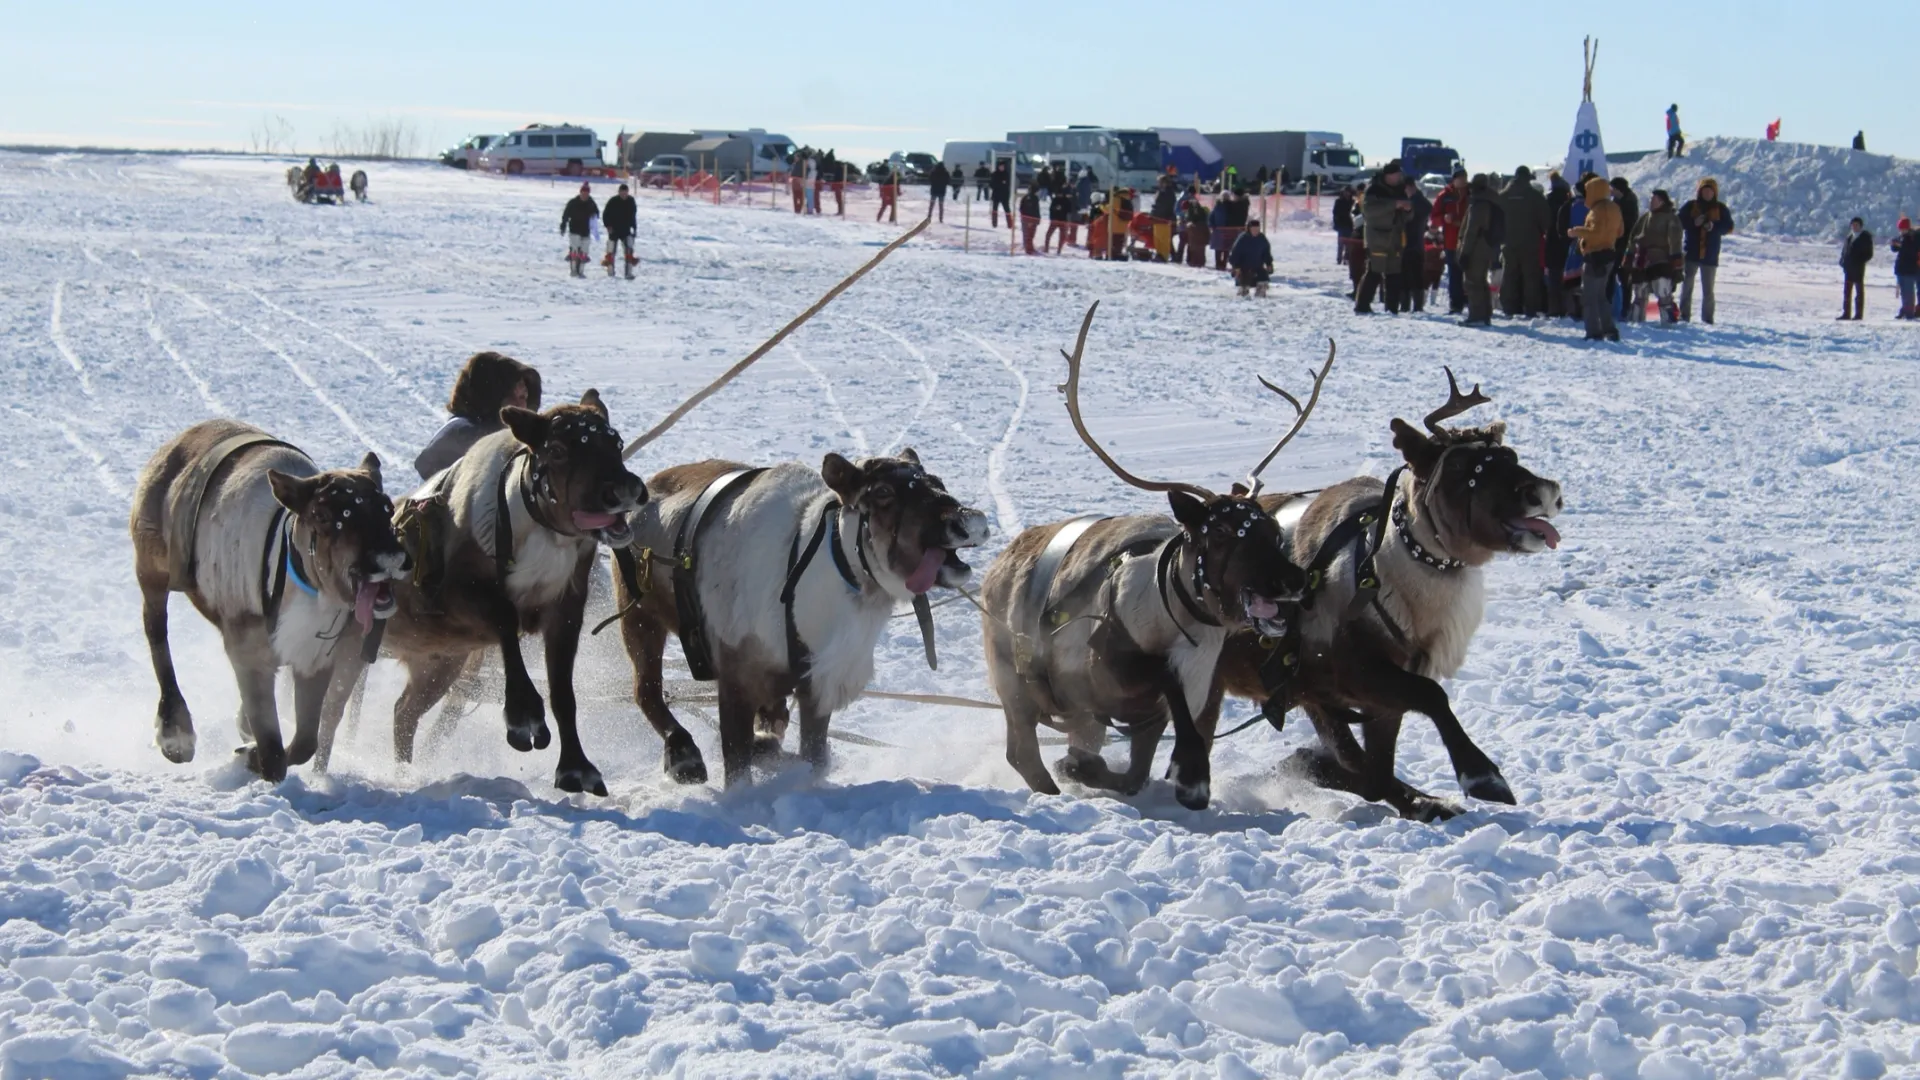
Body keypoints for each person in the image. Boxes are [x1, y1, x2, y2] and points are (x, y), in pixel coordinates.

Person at [414, 352, 542, 480]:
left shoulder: (517, 439)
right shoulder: (462, 433)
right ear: (489, 398)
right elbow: (428, 468)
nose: (518, 404)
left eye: (522, 397)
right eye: (509, 396)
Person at [1568, 175, 1623, 341]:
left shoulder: (1597, 210)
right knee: (1601, 296)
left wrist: (1577, 232)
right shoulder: (1614, 207)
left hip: (1595, 257)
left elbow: (1595, 233)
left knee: (1589, 297)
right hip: (1609, 255)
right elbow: (1620, 231)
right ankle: (1609, 329)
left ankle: (1593, 332)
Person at [1355, 161, 1410, 314]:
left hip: (1396, 237)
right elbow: (1369, 211)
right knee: (1374, 271)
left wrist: (1407, 209)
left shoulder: (1400, 189)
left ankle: (1392, 308)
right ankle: (1362, 305)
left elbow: (1408, 215)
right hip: (1377, 237)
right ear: (1387, 175)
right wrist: (1394, 205)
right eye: (1395, 175)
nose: (1398, 178)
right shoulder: (1374, 190)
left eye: (1399, 175)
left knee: (1394, 274)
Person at [1679, 178, 1735, 323]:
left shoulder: (1720, 208)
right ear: (1700, 191)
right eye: (1705, 190)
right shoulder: (1691, 206)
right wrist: (1693, 223)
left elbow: (1729, 227)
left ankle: (1708, 319)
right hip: (1691, 253)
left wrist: (1713, 227)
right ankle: (1684, 315)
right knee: (1687, 286)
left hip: (1710, 254)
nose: (1707, 193)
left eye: (1710, 191)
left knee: (1708, 290)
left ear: (1714, 193)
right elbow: (1678, 222)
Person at [1626, 189, 1683, 324]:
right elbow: (1633, 238)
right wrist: (1629, 257)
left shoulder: (1671, 218)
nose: (1651, 202)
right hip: (1642, 259)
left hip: (1661, 260)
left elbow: (1675, 242)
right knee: (1640, 292)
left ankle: (1668, 322)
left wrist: (1677, 266)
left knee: (1663, 291)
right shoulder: (1645, 217)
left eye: (1654, 199)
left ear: (1662, 202)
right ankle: (1636, 321)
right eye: (1651, 199)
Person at [1499, 166, 1548, 316]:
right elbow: (1546, 221)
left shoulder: (1503, 196)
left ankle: (1509, 308)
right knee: (1530, 277)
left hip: (1508, 243)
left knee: (1509, 276)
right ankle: (1531, 309)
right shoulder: (1535, 196)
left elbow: (1495, 219)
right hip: (1530, 243)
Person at [1455, 174, 1502, 326]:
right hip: (1486, 245)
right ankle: (1485, 314)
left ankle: (1476, 316)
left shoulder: (1479, 202)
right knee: (1481, 281)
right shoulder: (1491, 200)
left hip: (1477, 246)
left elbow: (1472, 230)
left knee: (1472, 281)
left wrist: (1465, 252)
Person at [1430, 170, 1470, 314]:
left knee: (1471, 273)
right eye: (1460, 178)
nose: (1463, 180)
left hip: (1470, 241)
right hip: (1451, 241)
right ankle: (1456, 304)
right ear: (1453, 180)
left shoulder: (1472, 193)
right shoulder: (1445, 196)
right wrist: (1444, 219)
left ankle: (1471, 301)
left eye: (1464, 177)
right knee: (1454, 274)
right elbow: (1434, 218)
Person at [1398, 179, 1433, 313]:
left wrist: (1409, 206)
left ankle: (1416, 306)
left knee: (1414, 276)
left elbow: (1427, 209)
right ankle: (1407, 305)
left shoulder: (1417, 201)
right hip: (1410, 243)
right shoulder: (1416, 200)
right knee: (1407, 276)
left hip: (1413, 243)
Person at [1543, 172, 1574, 316]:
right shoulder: (1569, 203)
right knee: (1567, 277)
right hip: (1566, 241)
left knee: (1553, 278)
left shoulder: (1547, 201)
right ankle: (1567, 308)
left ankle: (1554, 309)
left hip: (1551, 242)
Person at [1609, 177, 1639, 317]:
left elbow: (1629, 225)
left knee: (1624, 278)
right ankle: (1617, 306)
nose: (1611, 191)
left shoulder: (1629, 202)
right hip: (1616, 244)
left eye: (1613, 188)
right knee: (1613, 275)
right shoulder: (1617, 201)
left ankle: (1625, 308)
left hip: (1625, 244)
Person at [560, 182, 598, 278]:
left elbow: (596, 213)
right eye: (583, 192)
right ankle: (573, 270)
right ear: (580, 192)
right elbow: (566, 214)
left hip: (586, 230)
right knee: (575, 249)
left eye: (587, 193)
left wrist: (594, 215)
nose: (585, 195)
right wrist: (563, 225)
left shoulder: (591, 203)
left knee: (584, 251)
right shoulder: (573, 202)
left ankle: (581, 271)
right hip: (574, 229)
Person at [1839, 217, 1874, 320]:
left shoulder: (1865, 238)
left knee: (1859, 292)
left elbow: (1869, 254)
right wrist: (1842, 261)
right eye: (1853, 225)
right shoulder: (1849, 237)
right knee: (1847, 292)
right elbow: (1844, 251)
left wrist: (1859, 261)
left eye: (1856, 225)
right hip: (1848, 268)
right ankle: (1846, 313)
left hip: (1858, 268)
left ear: (1860, 226)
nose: (1854, 227)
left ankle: (1858, 314)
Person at [1228, 219, 1274, 297]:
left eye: (1257, 229)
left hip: (1258, 267)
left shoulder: (1262, 239)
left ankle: (1260, 295)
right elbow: (1234, 254)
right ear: (1249, 229)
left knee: (1263, 279)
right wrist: (1236, 267)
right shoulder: (1242, 239)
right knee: (1244, 289)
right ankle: (1242, 292)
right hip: (1243, 268)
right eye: (1254, 229)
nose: (1256, 231)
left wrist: (1269, 264)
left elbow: (1266, 253)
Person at [602, 183, 637, 279]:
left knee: (629, 251)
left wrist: (634, 228)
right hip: (614, 229)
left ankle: (628, 273)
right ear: (619, 192)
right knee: (611, 251)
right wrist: (608, 226)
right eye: (622, 192)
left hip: (625, 230)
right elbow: (605, 214)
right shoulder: (613, 201)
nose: (624, 195)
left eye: (625, 193)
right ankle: (610, 271)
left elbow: (633, 216)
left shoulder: (631, 201)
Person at [1894, 217, 1920, 319]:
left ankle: (1910, 312)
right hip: (1904, 268)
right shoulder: (1902, 236)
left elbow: (1911, 250)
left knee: (1910, 292)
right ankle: (1906, 310)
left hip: (1912, 268)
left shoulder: (1913, 237)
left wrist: (1901, 245)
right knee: (1905, 291)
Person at [1150, 176, 1178, 262]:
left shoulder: (1167, 193)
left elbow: (1164, 206)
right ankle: (1167, 254)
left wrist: (1155, 210)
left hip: (1164, 219)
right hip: (1160, 218)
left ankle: (1165, 255)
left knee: (1165, 238)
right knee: (1162, 238)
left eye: (1160, 182)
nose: (1158, 184)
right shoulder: (1163, 192)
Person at [1046, 184, 1077, 253]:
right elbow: (1051, 209)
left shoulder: (1067, 201)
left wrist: (1068, 221)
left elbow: (1069, 211)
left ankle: (1059, 250)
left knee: (1061, 236)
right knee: (1048, 234)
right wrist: (1054, 212)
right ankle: (1046, 248)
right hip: (1055, 220)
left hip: (1062, 221)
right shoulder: (1055, 199)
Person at [1181, 195, 1210, 268]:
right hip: (1203, 231)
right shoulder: (1199, 208)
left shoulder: (1191, 212)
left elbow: (1191, 221)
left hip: (1196, 232)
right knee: (1200, 249)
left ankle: (1195, 262)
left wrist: (1186, 224)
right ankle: (1200, 262)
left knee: (1195, 248)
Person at [1332, 185, 1357, 264]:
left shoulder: (1353, 202)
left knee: (1349, 245)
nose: (1347, 194)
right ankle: (1339, 259)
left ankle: (1347, 259)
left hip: (1350, 225)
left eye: (1348, 192)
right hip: (1341, 225)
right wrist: (1336, 223)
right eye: (1345, 192)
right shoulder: (1339, 201)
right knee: (1340, 244)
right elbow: (1335, 213)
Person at [1018, 185, 1042, 255]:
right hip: (1030, 219)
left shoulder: (1025, 197)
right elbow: (1034, 210)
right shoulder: (1033, 198)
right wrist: (1032, 220)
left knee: (1028, 235)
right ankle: (1028, 250)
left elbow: (1021, 208)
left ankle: (1029, 248)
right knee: (1029, 235)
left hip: (1026, 219)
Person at [989, 162, 1012, 228]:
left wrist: (1000, 184)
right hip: (996, 194)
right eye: (1000, 166)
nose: (1001, 168)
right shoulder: (994, 174)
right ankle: (994, 224)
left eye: (1003, 166)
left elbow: (1006, 184)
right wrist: (1000, 183)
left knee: (1007, 209)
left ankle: (1010, 224)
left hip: (1005, 195)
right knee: (995, 209)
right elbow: (992, 184)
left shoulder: (1006, 174)